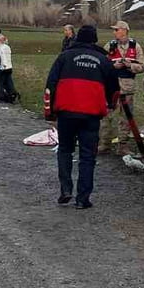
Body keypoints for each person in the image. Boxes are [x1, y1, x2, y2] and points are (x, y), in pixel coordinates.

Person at [44, 25, 120, 210]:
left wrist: (50, 111)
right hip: (91, 114)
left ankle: (65, 189)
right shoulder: (103, 60)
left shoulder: (64, 56)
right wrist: (110, 105)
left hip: (66, 112)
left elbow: (50, 85)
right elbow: (114, 89)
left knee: (65, 150)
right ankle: (82, 198)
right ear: (94, 39)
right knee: (87, 156)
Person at [101, 20, 144, 155]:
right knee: (106, 115)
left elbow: (143, 66)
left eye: (117, 30)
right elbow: (102, 64)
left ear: (124, 30)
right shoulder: (109, 46)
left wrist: (129, 65)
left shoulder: (135, 46)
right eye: (114, 30)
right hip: (111, 85)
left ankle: (123, 145)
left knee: (126, 116)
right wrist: (113, 66)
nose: (114, 32)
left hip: (127, 86)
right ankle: (104, 144)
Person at [0, 33, 17, 103]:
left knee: (0, 83)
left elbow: (3, 57)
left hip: (3, 68)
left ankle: (1, 96)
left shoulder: (1, 48)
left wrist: (2, 66)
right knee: (9, 82)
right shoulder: (7, 47)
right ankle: (12, 94)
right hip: (10, 67)